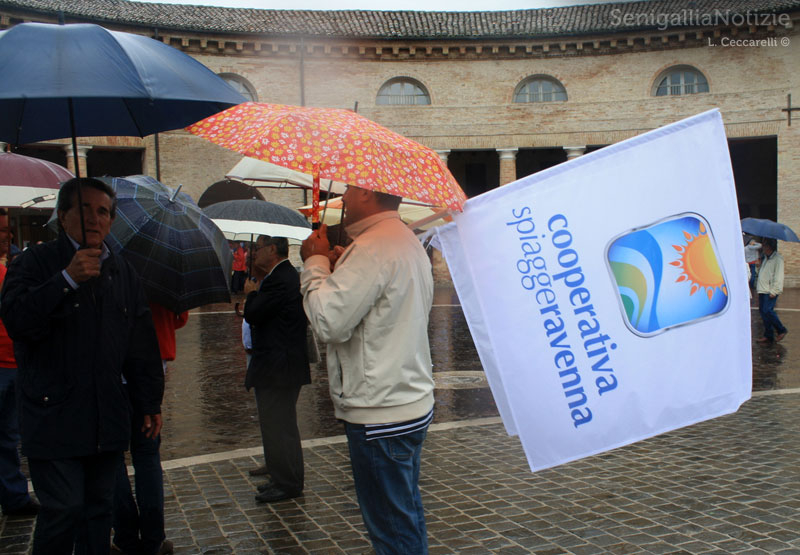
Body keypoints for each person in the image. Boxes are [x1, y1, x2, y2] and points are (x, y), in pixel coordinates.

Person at [0, 178, 164, 554]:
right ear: (63, 216)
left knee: (98, 511)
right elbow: (17, 319)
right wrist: (67, 280)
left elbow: (140, 344)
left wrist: (149, 401)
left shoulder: (122, 272)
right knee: (63, 508)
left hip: (105, 414)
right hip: (52, 413)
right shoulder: (35, 263)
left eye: (103, 211)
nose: (94, 218)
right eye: (84, 209)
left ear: (111, 221)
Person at [300, 185, 434, 554]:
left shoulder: (373, 248)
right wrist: (345, 266)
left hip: (380, 411)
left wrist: (314, 263)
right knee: (405, 516)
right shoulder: (402, 238)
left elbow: (328, 322)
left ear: (366, 195)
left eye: (348, 189)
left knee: (392, 530)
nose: (342, 198)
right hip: (405, 399)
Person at [112, 302, 186, 555]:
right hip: (151, 367)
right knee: (147, 454)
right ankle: (153, 539)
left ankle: (126, 537)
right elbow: (180, 317)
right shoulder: (162, 270)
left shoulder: (107, 272)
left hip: (113, 372)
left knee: (113, 459)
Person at [243, 235, 310, 503]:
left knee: (280, 426)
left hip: (278, 367)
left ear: (272, 249)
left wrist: (250, 294)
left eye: (257, 248)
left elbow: (255, 313)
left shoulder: (280, 279)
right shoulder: (278, 276)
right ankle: (281, 474)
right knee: (278, 424)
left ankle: (288, 483)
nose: (253, 254)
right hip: (279, 365)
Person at [0, 208, 39, 518]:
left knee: (9, 436)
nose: (8, 236)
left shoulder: (11, 269)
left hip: (14, 362)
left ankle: (13, 495)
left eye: (8, 230)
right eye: (1, 231)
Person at [756, 237, 787, 344]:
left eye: (764, 245)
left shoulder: (777, 259)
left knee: (768, 311)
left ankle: (781, 330)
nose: (762, 247)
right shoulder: (765, 258)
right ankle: (768, 335)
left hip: (770, 291)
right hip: (762, 289)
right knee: (763, 312)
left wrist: (775, 290)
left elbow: (779, 276)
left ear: (769, 246)